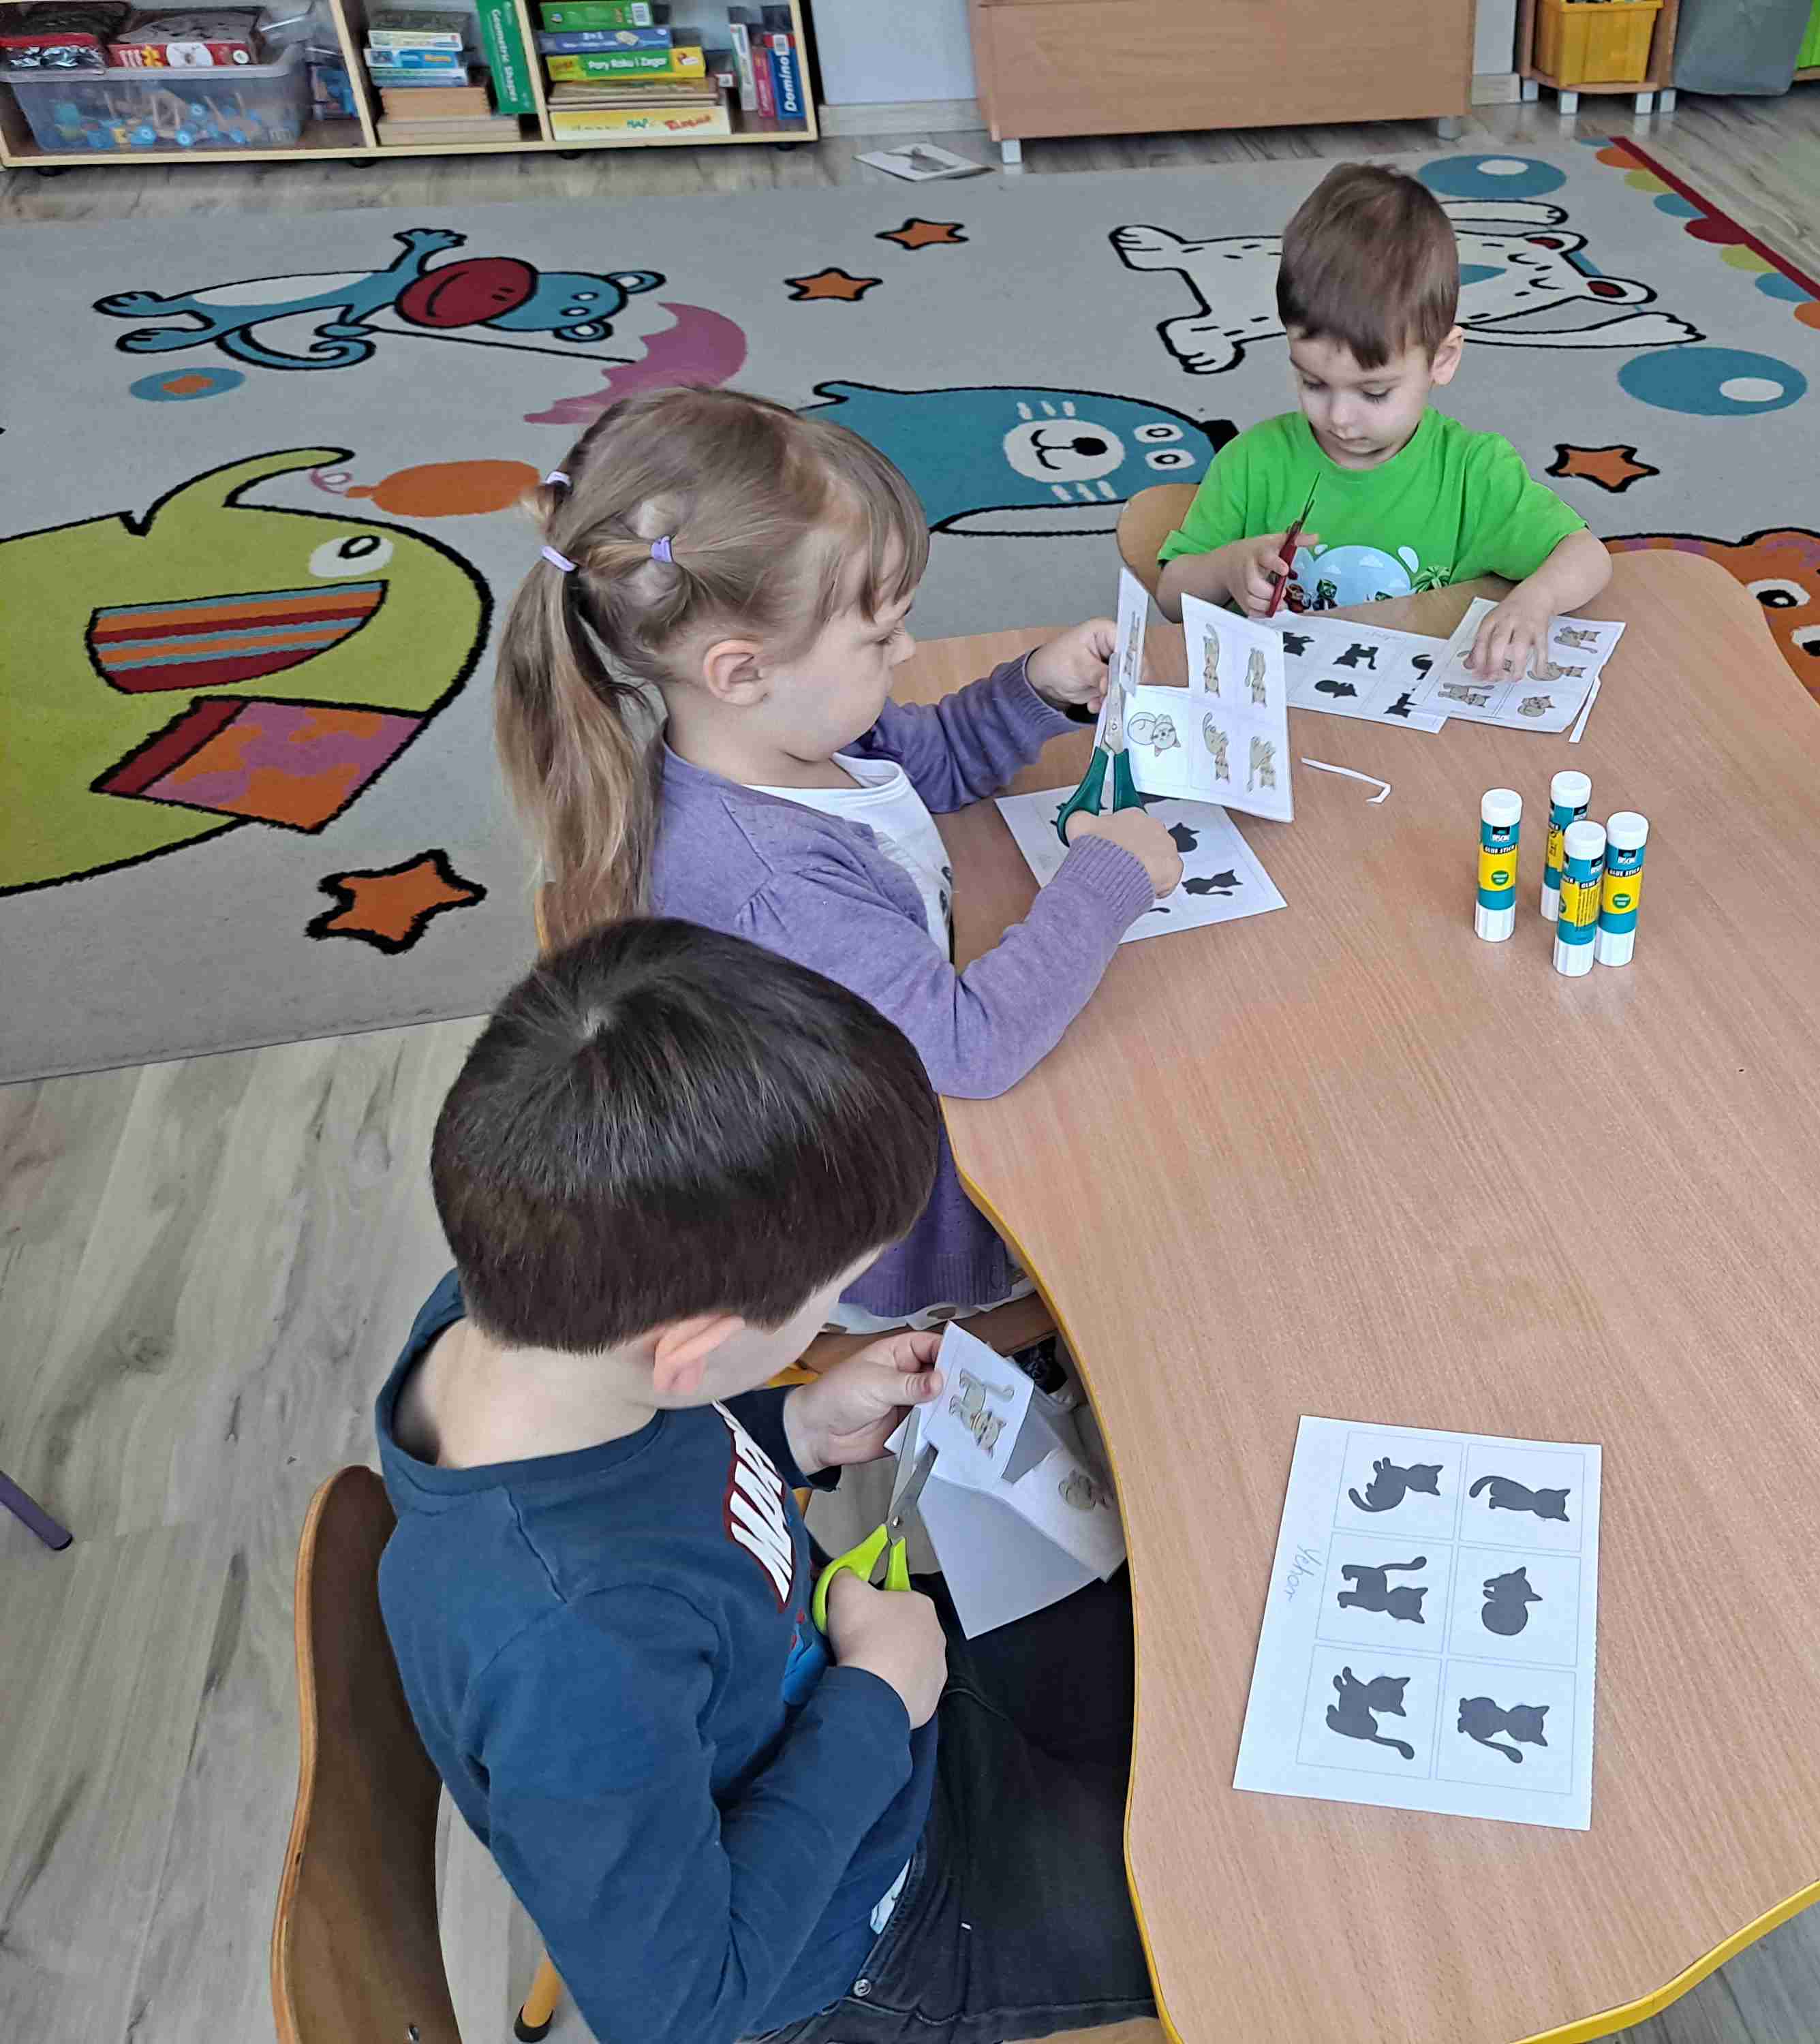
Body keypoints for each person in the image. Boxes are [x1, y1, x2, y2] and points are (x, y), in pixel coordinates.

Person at [377, 918, 1152, 2044]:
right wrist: (873, 1701)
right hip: (866, 1923)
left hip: (870, 1691)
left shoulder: (516, 1311)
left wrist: (793, 1424)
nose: (835, 1314)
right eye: (830, 1296)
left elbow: (648, 1480)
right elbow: (682, 2007)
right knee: (1243, 1896)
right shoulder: (568, 1653)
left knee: (1182, 1659)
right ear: (692, 1352)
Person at [493, 385, 1179, 1331]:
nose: (909, 647)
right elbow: (973, 1047)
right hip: (909, 1233)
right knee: (1183, 1180)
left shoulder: (795, 736)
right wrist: (1106, 884)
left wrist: (1035, 690)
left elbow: (934, 761)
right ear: (742, 670)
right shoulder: (771, 884)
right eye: (879, 635)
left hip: (907, 1101)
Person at [1152, 161, 1614, 681]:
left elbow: (1587, 555)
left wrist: (1536, 600)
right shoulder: (1252, 462)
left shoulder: (1472, 472)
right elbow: (1171, 597)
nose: (1339, 418)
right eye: (1313, 383)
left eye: (1374, 392)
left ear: (1442, 359)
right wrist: (1226, 567)